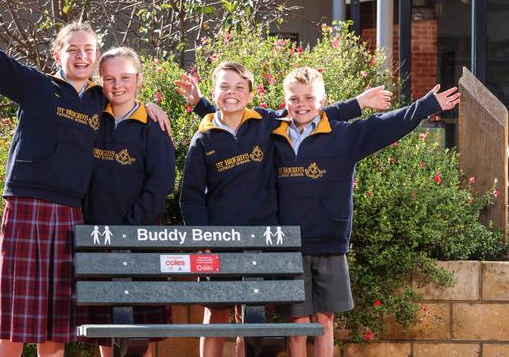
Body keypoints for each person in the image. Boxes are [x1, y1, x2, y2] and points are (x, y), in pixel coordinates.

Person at [0, 0, 170, 357]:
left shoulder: (99, 101)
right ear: (58, 55)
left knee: (55, 328)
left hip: (71, 216)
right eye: (73, 49)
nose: (81, 56)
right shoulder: (36, 86)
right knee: (15, 327)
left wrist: (153, 107)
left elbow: (127, 99)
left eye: (88, 50)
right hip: (27, 208)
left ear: (96, 57)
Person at [178, 62, 388, 357]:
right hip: (220, 242)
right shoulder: (203, 139)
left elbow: (309, 112)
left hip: (263, 243)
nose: (231, 93)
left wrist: (359, 104)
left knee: (250, 321)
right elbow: (191, 197)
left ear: (251, 94)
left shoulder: (265, 123)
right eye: (224, 87)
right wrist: (202, 240)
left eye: (239, 87)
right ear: (215, 91)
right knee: (216, 317)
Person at [271, 67, 459, 357]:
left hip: (330, 245)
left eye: (309, 97)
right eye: (293, 98)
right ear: (285, 101)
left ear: (323, 100)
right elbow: (239, 119)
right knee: (297, 323)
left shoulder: (344, 136)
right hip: (288, 245)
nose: (301, 104)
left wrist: (426, 106)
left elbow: (385, 124)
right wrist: (356, 103)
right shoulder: (273, 135)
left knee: (324, 321)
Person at [83, 47, 176, 357]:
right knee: (106, 335)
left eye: (125, 77)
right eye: (109, 78)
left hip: (141, 241)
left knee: (140, 336)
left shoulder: (153, 128)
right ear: (100, 81)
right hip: (98, 241)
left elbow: (160, 185)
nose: (117, 85)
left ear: (139, 80)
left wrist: (130, 229)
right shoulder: (92, 121)